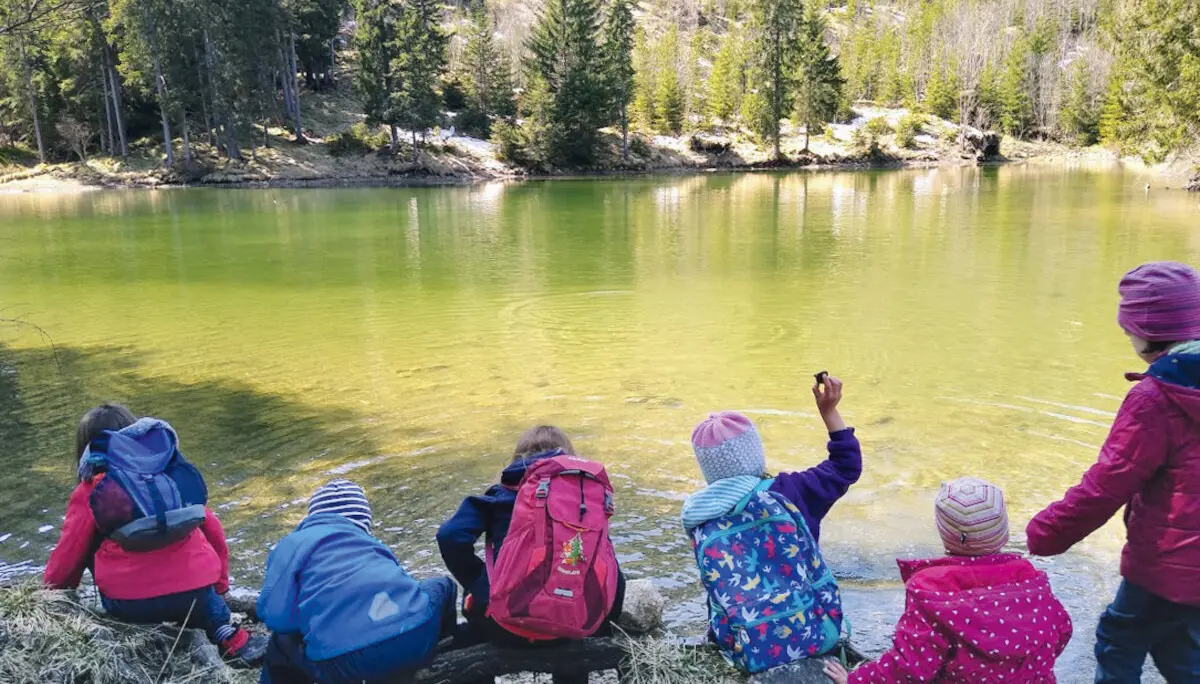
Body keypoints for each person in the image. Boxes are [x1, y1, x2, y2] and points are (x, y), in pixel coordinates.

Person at [1026, 261, 1200, 684]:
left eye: (1128, 329)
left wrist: (1046, 532)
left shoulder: (1155, 398)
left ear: (1146, 331)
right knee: (1180, 646)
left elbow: (1106, 485)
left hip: (1170, 562)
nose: (1127, 336)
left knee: (1118, 639)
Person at [44, 404, 266, 667]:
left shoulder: (90, 490)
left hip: (127, 602)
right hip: (194, 592)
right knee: (203, 598)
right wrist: (219, 587)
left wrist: (53, 593)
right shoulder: (167, 476)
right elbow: (212, 528)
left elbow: (69, 554)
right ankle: (232, 640)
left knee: (94, 539)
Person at [681, 375, 861, 672]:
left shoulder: (699, 515)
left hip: (744, 650)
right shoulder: (791, 491)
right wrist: (829, 412)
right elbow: (847, 466)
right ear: (755, 451)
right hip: (816, 635)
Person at [823, 477, 1073, 683]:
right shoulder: (1032, 580)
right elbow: (1062, 631)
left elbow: (909, 666)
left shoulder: (933, 593)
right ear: (1004, 532)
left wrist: (857, 680)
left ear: (945, 535)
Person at [435, 426, 625, 647]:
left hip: (503, 624)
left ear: (518, 457)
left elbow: (449, 537)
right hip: (577, 624)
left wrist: (480, 582)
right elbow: (607, 559)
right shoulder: (585, 500)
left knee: (476, 601)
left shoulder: (500, 495)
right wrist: (607, 617)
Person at [258, 479, 458, 684]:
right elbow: (402, 587)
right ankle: (450, 647)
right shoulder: (372, 544)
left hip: (342, 666)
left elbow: (275, 617)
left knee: (281, 641)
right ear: (364, 521)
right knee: (443, 585)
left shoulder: (292, 544)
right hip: (415, 640)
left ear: (312, 515)